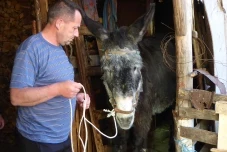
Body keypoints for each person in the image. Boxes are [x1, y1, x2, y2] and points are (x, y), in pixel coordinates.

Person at [10, 0, 90, 151]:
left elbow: (55, 85)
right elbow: (16, 97)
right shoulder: (31, 49)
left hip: (61, 137)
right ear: (59, 23)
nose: (77, 34)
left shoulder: (59, 49)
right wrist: (58, 89)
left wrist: (76, 97)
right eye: (74, 28)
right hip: (38, 141)